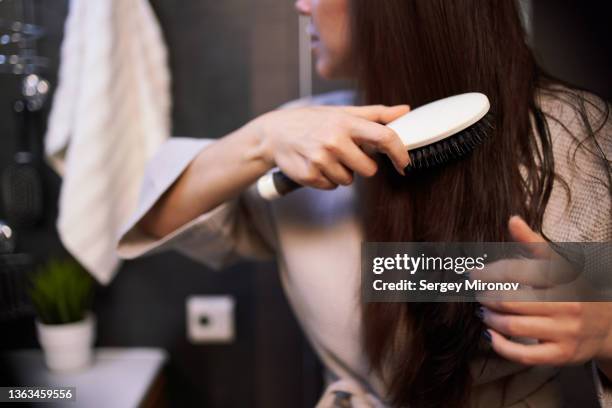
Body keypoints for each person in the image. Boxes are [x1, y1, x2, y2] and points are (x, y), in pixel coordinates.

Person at [117, 0, 612, 406]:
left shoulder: (574, 136)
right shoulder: (304, 144)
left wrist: (606, 329)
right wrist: (260, 139)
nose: (300, 6)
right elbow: (158, 218)